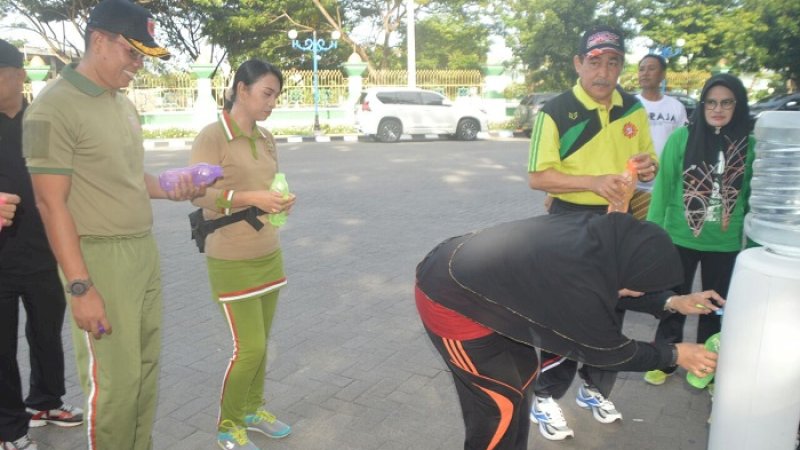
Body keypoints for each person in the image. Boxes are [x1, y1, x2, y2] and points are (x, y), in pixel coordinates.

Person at [22, 1, 204, 449]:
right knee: (115, 387)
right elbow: (50, 203)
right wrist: (80, 287)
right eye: (132, 53)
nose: (138, 65)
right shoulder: (52, 108)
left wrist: (170, 185)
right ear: (99, 41)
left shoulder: (121, 104)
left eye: (143, 56)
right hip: (99, 258)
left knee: (143, 376)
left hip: (142, 251)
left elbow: (126, 178)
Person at [415, 212, 724, 450]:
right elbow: (611, 353)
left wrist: (674, 302)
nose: (631, 292)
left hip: (492, 291)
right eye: (636, 286)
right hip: (450, 297)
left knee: (522, 378)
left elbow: (618, 289)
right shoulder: (582, 284)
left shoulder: (604, 241)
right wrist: (674, 353)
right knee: (500, 405)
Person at [525, 25, 659, 440]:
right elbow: (537, 177)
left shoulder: (633, 108)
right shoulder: (556, 111)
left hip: (619, 221)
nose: (603, 72)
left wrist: (649, 168)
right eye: (595, 62)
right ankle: (545, 399)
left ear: (622, 67)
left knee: (613, 309)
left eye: (613, 62)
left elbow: (647, 163)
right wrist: (593, 181)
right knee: (570, 313)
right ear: (579, 63)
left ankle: (595, 389)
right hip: (570, 221)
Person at [189, 59, 296, 450]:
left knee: (262, 344)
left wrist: (282, 201)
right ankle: (228, 425)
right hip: (230, 257)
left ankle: (252, 410)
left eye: (276, 96)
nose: (272, 103)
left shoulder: (266, 138)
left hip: (268, 250)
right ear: (242, 89)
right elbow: (198, 193)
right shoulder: (212, 136)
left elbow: (274, 185)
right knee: (247, 348)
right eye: (267, 93)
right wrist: (249, 198)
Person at [643, 73, 754, 387]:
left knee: (714, 308)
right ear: (702, 104)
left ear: (738, 105)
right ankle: (665, 359)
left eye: (727, 102)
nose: (718, 109)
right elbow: (663, 190)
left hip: (725, 242)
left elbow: (750, 198)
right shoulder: (682, 138)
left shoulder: (751, 144)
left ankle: (707, 364)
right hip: (679, 237)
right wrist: (652, 238)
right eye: (711, 102)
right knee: (673, 303)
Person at [0, 38, 83, 450]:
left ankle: (46, 403)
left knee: (47, 332)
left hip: (43, 251)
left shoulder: (40, 122)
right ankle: (10, 428)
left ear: (18, 76)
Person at [630, 54, 688, 220]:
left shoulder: (676, 107)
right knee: (634, 232)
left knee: (658, 233)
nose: (645, 73)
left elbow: (683, 145)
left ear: (663, 75)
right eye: (641, 69)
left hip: (665, 184)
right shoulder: (629, 106)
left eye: (651, 68)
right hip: (634, 185)